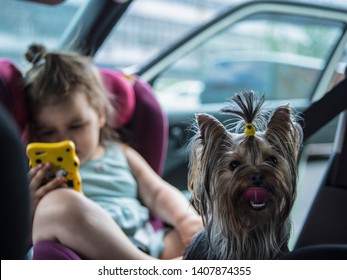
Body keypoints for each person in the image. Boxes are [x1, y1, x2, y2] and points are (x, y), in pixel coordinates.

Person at [24, 44, 203, 260]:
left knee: (214, 226)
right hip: (86, 252)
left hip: (149, 242)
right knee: (57, 206)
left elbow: (157, 193)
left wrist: (188, 221)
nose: (64, 139)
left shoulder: (119, 153)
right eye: (48, 131)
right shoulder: (37, 172)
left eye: (76, 126)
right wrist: (30, 206)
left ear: (100, 115)